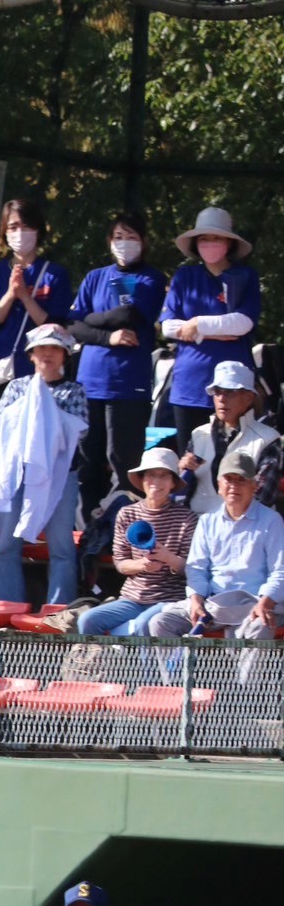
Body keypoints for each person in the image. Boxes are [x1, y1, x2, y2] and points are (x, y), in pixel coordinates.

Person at [68, 213, 167, 523]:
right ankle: (88, 529)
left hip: (128, 386)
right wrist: (106, 336)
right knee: (88, 462)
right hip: (89, 383)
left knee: (124, 463)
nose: (124, 243)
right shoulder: (94, 277)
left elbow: (128, 314)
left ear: (144, 242)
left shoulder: (151, 278)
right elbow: (72, 326)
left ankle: (123, 530)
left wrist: (90, 320)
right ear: (110, 242)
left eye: (131, 237)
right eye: (118, 237)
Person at [0, 324, 88, 606]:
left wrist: (42, 411)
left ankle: (58, 610)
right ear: (31, 354)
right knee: (6, 546)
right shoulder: (16, 388)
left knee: (61, 547)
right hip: (17, 475)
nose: (48, 354)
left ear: (64, 355)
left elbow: (80, 430)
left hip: (61, 478)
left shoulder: (74, 391)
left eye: (55, 348)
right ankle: (8, 607)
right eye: (42, 348)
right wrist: (29, 412)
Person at [148, 452, 284, 641]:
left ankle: (246, 665)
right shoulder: (207, 521)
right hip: (213, 603)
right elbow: (196, 569)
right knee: (161, 623)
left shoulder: (271, 520)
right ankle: (183, 663)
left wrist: (265, 602)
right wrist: (196, 600)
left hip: (255, 602)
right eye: (229, 479)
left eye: (241, 480)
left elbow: (280, 571)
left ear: (254, 486)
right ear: (219, 485)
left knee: (261, 625)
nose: (234, 486)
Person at [159, 206, 261, 454]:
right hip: (189, 386)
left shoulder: (245, 276)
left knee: (233, 462)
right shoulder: (184, 276)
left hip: (234, 387)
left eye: (216, 238)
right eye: (204, 238)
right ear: (196, 243)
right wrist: (217, 331)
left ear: (229, 242)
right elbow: (168, 326)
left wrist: (196, 325)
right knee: (191, 460)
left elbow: (243, 323)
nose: (210, 243)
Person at [76, 448, 197, 637]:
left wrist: (168, 558)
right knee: (87, 620)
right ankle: (95, 656)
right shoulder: (127, 514)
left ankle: (141, 659)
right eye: (151, 475)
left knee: (143, 625)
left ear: (173, 482)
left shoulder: (187, 518)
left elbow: (193, 569)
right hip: (132, 598)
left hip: (170, 599)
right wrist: (141, 565)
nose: (156, 482)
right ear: (142, 479)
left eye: (163, 476)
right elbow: (120, 562)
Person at [0, 198, 72, 429]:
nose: (20, 233)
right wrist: (11, 294)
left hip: (40, 373)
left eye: (26, 226)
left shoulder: (55, 274)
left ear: (38, 230)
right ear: (4, 231)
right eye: (13, 227)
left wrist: (26, 298)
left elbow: (55, 326)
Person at [177, 360, 281, 516]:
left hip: (249, 524)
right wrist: (181, 474)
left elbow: (263, 498)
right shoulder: (198, 435)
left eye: (230, 392)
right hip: (198, 522)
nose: (222, 398)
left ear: (249, 398)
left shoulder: (268, 439)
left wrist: (222, 522)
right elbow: (180, 495)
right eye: (217, 392)